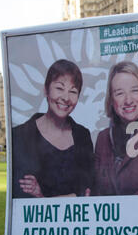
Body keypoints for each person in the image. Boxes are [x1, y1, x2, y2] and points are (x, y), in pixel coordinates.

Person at [12, 59, 94, 198]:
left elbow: (87, 190)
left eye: (73, 91)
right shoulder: (21, 135)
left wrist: (42, 197)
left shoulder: (82, 135)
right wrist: (73, 196)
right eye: (59, 88)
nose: (66, 98)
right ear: (46, 90)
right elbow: (21, 194)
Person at [94, 61, 138, 196]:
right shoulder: (103, 138)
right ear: (111, 99)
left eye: (135, 90)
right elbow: (96, 192)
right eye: (120, 93)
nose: (128, 100)